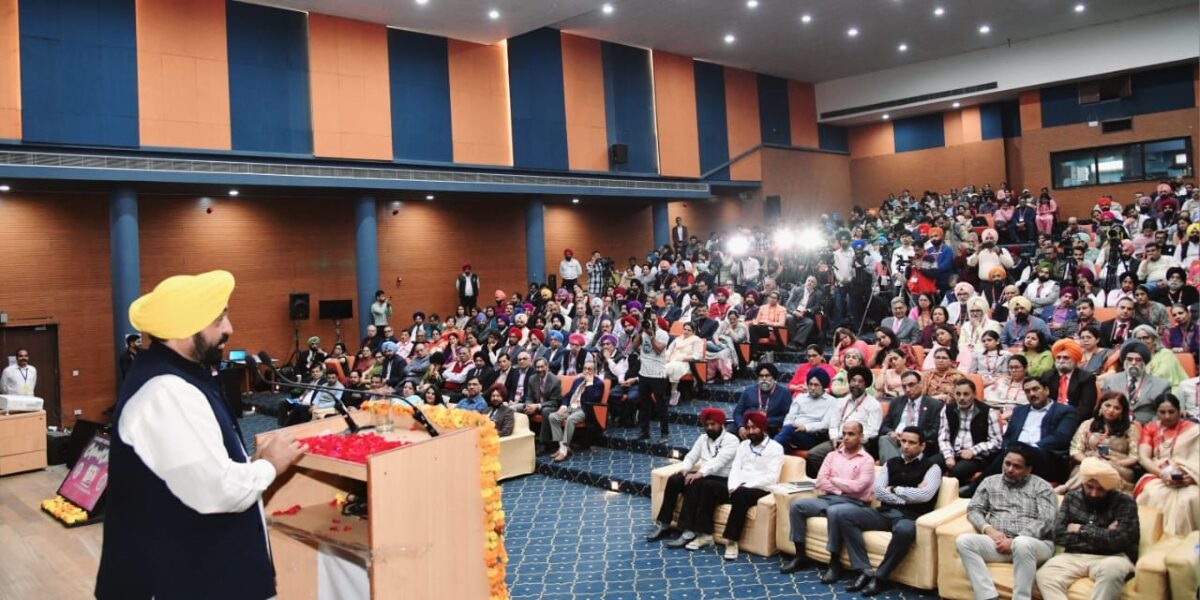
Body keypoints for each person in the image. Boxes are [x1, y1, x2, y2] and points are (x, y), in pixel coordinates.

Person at [97, 270, 306, 600]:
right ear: (184, 330)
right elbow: (216, 490)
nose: (229, 329)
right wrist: (269, 466)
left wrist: (248, 465)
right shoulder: (167, 391)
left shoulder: (179, 377)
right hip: (181, 580)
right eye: (218, 319)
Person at [825, 427, 942, 595]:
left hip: (909, 517)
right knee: (840, 513)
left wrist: (894, 489)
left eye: (912, 443)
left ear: (922, 446)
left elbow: (924, 495)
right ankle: (864, 569)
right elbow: (879, 492)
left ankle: (880, 577)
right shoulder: (891, 463)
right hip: (884, 513)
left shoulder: (932, 468)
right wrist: (907, 495)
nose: (906, 446)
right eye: (903, 441)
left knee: (904, 530)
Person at [953, 443, 1057, 600]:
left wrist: (1014, 540)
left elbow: (1047, 520)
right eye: (1007, 463)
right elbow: (974, 509)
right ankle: (987, 596)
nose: (1009, 469)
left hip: (1035, 545)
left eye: (1017, 466)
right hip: (999, 542)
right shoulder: (990, 482)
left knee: (1022, 543)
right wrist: (988, 529)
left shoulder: (1042, 487)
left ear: (1028, 469)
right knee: (964, 541)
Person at [780, 420, 876, 578]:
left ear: (861, 436)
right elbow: (820, 481)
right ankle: (800, 556)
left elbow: (858, 488)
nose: (845, 437)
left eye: (851, 434)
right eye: (843, 433)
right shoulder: (832, 455)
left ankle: (834, 563)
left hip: (855, 503)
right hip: (829, 498)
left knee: (834, 512)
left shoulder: (867, 460)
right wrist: (841, 489)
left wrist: (835, 481)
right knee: (797, 505)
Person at [1038, 458, 1141, 600]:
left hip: (1113, 557)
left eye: (1100, 489)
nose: (1094, 493)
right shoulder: (1071, 498)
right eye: (1089, 487)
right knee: (1045, 575)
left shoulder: (1124, 502)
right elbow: (1059, 535)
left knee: (1112, 571)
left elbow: (1120, 541)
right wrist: (1105, 533)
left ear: (1109, 487)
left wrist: (1080, 529)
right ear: (1083, 483)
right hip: (1074, 556)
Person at [647, 408, 738, 544]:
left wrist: (699, 474)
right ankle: (664, 524)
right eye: (707, 425)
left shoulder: (732, 440)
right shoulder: (703, 439)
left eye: (713, 424)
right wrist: (685, 469)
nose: (709, 428)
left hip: (721, 480)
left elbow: (719, 462)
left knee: (693, 483)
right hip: (703, 476)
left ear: (721, 424)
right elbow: (691, 456)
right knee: (675, 479)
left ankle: (688, 531)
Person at [971, 377, 1078, 491]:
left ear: (1046, 390)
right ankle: (983, 491)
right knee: (1006, 452)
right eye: (1027, 391)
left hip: (1046, 457)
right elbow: (1008, 437)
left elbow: (1061, 437)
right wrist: (1008, 449)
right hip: (1015, 453)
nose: (1031, 394)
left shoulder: (1065, 411)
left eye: (1035, 389)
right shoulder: (1020, 410)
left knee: (1016, 451)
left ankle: (974, 489)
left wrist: (1028, 449)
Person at [1135, 394, 1199, 536]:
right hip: (1158, 475)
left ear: (1179, 411)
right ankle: (1154, 541)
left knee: (1191, 498)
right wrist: (1162, 475)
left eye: (1171, 412)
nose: (1167, 416)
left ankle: (1186, 543)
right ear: (1156, 412)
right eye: (1162, 412)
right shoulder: (1150, 428)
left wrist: (1192, 477)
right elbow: (1144, 458)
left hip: (1190, 477)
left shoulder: (1194, 430)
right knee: (1155, 495)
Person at [804, 367, 882, 478]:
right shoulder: (841, 401)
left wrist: (853, 439)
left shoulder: (873, 404)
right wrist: (835, 438)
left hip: (860, 442)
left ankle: (846, 484)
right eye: (853, 380)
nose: (856, 384)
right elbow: (833, 425)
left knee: (853, 460)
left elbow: (873, 431)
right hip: (838, 440)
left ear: (866, 385)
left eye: (860, 381)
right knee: (814, 455)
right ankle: (831, 479)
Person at [1059, 392, 1140, 493]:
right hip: (1086, 464)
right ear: (1100, 405)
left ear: (1122, 411)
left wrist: (1118, 462)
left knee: (1101, 465)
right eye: (1107, 405)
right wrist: (1087, 461)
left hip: (1119, 468)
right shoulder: (1088, 424)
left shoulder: (1131, 429)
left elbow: (1134, 457)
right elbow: (1075, 450)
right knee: (1094, 466)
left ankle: (1066, 488)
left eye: (1117, 408)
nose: (1111, 410)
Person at [939, 378, 1003, 485]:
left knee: (957, 471)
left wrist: (973, 450)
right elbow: (943, 437)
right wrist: (948, 456)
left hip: (976, 457)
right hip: (952, 452)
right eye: (958, 394)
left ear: (974, 394)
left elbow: (997, 442)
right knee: (929, 464)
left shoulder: (988, 412)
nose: (961, 398)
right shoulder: (947, 409)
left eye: (966, 394)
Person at [1100, 341, 1172, 423]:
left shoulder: (1162, 385)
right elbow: (1103, 408)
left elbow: (1162, 412)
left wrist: (1151, 428)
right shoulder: (1110, 381)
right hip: (1115, 425)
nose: (1133, 363)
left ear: (1145, 362)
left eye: (1138, 360)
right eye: (1130, 359)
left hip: (1146, 427)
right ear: (1124, 361)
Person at [878, 370, 942, 462]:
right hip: (896, 439)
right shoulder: (896, 402)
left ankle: (894, 470)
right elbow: (884, 426)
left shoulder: (934, 405)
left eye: (911, 385)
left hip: (917, 442)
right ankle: (895, 470)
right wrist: (891, 433)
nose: (907, 389)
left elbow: (934, 432)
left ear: (920, 384)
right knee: (884, 439)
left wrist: (913, 437)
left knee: (908, 445)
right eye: (904, 387)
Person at [548, 360, 604, 462]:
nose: (586, 371)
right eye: (585, 369)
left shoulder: (598, 384)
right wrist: (564, 405)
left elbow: (591, 400)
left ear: (595, 371)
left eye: (589, 369)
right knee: (553, 417)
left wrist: (590, 384)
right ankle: (562, 447)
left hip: (585, 409)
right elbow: (568, 395)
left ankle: (563, 450)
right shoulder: (578, 381)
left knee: (571, 419)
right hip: (571, 407)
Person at [774, 368, 834, 452]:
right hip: (792, 431)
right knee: (783, 444)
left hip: (813, 436)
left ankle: (767, 451)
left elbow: (825, 424)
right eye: (810, 384)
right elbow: (790, 417)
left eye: (816, 385)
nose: (812, 388)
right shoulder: (800, 397)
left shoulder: (832, 401)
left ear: (823, 385)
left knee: (785, 434)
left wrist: (805, 427)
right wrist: (787, 426)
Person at [729, 363, 791, 438]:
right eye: (761, 376)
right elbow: (737, 413)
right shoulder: (749, 391)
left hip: (769, 426)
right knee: (729, 432)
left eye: (767, 376)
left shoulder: (783, 393)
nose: (764, 378)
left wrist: (764, 421)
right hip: (747, 424)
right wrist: (741, 427)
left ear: (774, 378)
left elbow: (787, 416)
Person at [1044, 338, 1099, 420]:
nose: (1061, 361)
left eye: (1066, 358)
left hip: (1074, 418)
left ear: (1075, 359)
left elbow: (1086, 408)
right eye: (1058, 358)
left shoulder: (1086, 378)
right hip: (1049, 416)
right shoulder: (1047, 376)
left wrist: (1069, 420)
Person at [637, 315, 671, 442]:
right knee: (644, 405)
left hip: (657, 375)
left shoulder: (663, 334)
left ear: (656, 321)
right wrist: (640, 332)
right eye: (648, 320)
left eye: (652, 320)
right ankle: (644, 432)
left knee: (661, 404)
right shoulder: (643, 333)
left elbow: (658, 350)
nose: (650, 322)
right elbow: (634, 346)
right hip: (643, 373)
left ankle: (665, 433)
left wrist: (651, 336)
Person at [663, 321, 704, 404]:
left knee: (674, 367)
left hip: (686, 363)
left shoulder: (697, 340)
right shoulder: (678, 338)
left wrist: (684, 358)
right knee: (663, 368)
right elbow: (669, 350)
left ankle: (674, 392)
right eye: (685, 329)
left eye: (689, 330)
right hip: (673, 360)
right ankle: (661, 393)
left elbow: (698, 355)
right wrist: (666, 358)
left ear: (693, 331)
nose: (686, 331)